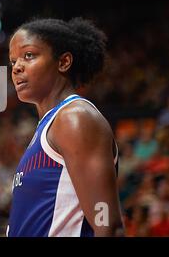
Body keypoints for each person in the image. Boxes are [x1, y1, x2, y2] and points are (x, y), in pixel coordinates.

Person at [7, 17, 124, 237]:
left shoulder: (74, 118)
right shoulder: (49, 126)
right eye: (13, 62)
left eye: (28, 55)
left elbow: (107, 223)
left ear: (63, 62)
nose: (17, 67)